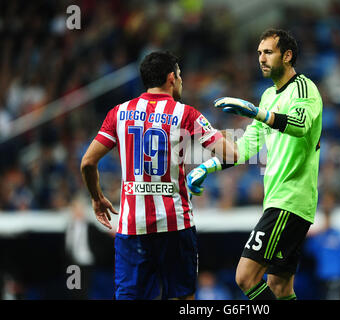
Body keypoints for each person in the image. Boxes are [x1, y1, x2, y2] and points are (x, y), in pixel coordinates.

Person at [80, 51, 237, 300]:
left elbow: (88, 163)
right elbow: (231, 154)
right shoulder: (186, 114)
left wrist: (97, 197)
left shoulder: (119, 113)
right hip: (175, 224)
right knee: (183, 298)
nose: (182, 81)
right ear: (171, 78)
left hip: (132, 226)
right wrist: (218, 142)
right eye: (181, 76)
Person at [187, 28, 323, 300]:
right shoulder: (268, 96)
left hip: (290, 200)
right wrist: (206, 167)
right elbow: (244, 149)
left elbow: (298, 126)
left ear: (287, 56)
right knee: (280, 287)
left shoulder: (304, 88)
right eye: (259, 53)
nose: (261, 58)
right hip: (281, 201)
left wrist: (254, 112)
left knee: (245, 277)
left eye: (268, 52)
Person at [304, 191, 340, 300]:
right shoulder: (319, 232)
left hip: (336, 277)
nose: (327, 204)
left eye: (329, 201)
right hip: (321, 277)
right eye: (325, 201)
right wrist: (320, 233)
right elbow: (310, 251)